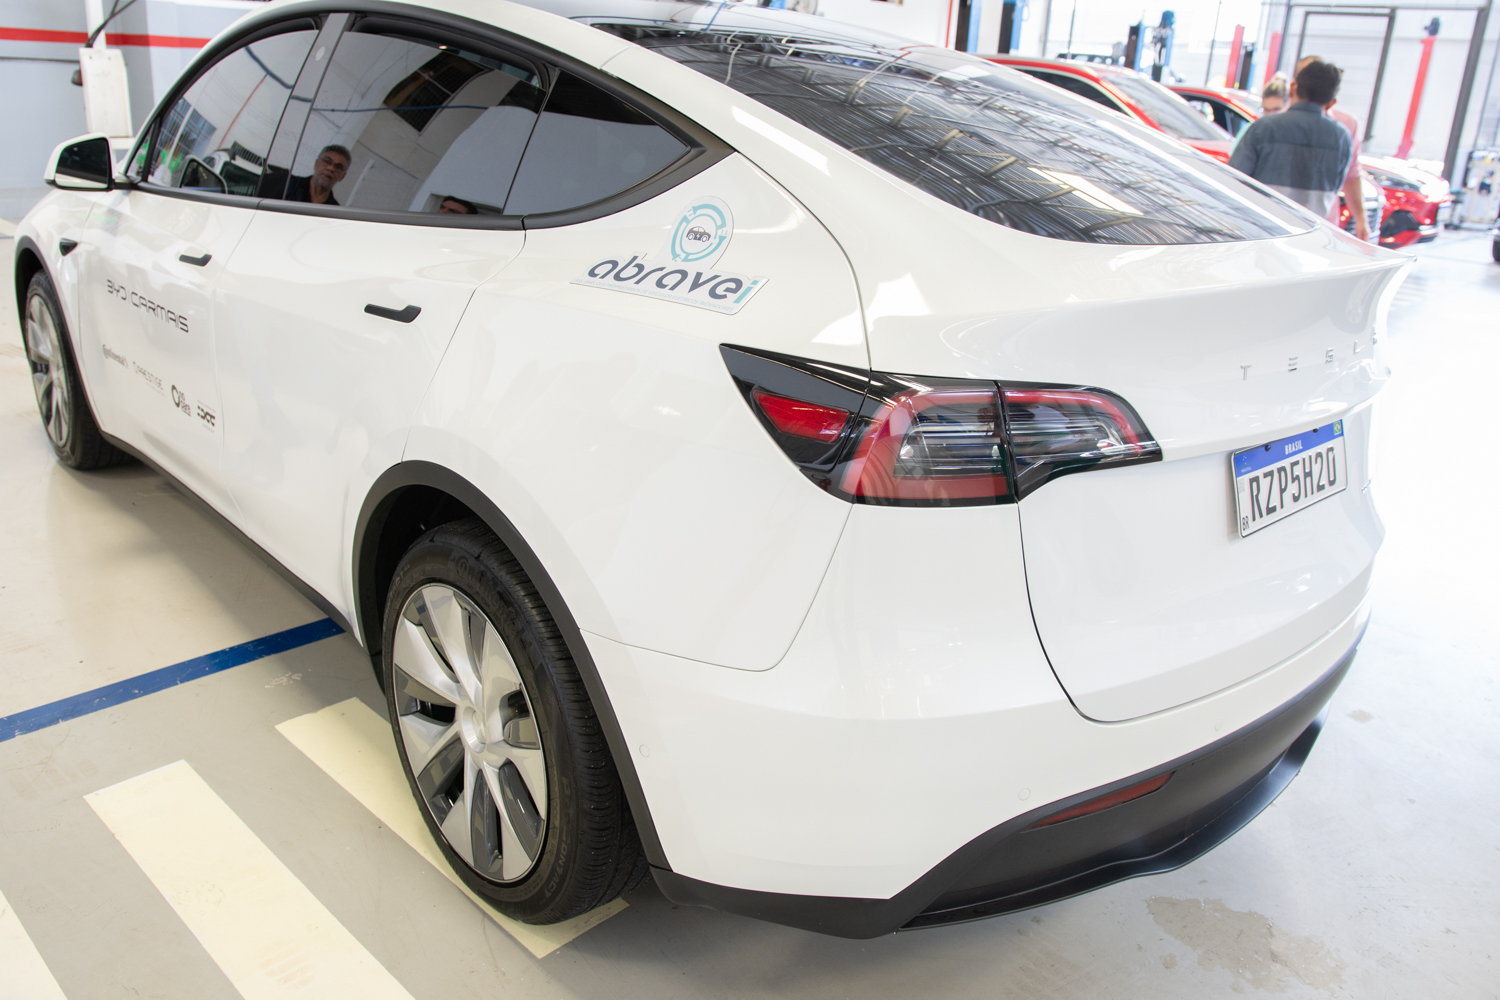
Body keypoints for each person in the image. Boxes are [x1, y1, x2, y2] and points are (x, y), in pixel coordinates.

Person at [1229, 60, 1352, 221]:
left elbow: (1233, 181)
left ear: (1293, 88)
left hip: (1261, 226)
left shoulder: (1264, 127)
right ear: (1331, 103)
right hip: (1311, 229)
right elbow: (1335, 188)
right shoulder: (1341, 138)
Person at [1294, 54, 1369, 240]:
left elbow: (1351, 173)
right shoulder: (1273, 124)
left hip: (1323, 223)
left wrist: (1360, 218)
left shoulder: (1347, 125)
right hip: (1280, 219)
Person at [285, 145, 350, 205]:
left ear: (342, 176)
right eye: (327, 161)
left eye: (338, 167)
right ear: (316, 164)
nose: (331, 168)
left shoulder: (334, 211)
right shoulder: (287, 184)